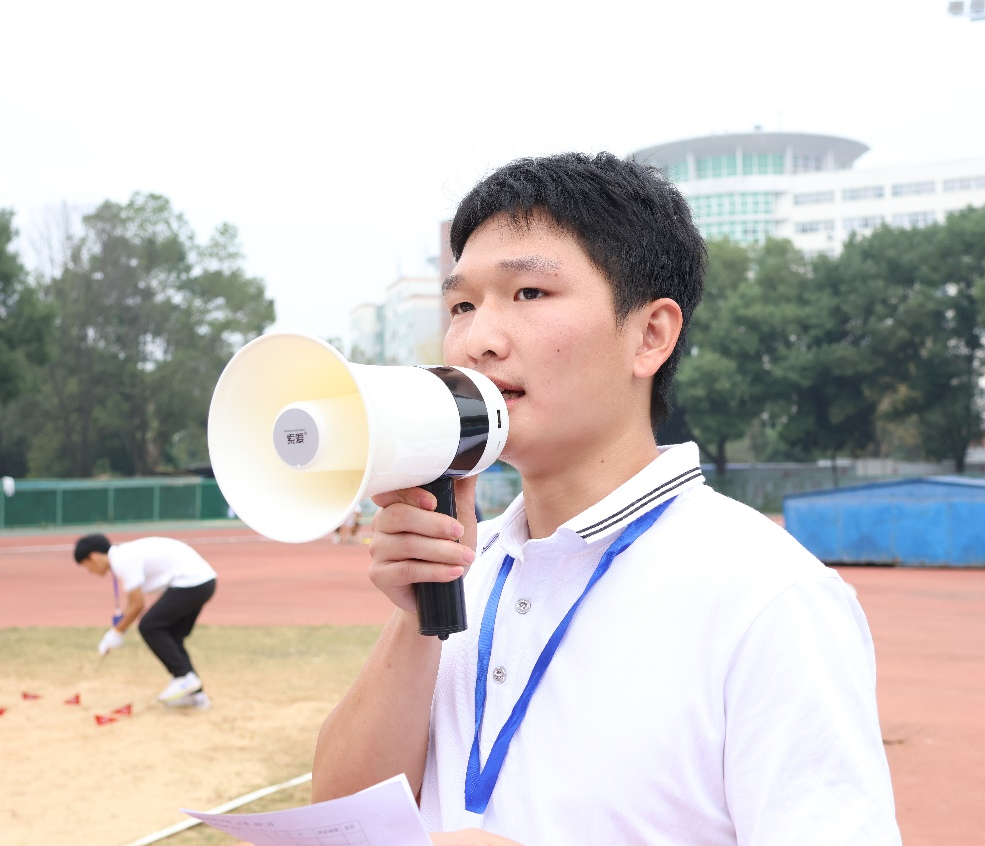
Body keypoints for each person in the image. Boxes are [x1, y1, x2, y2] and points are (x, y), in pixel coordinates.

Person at [312, 153, 901, 844]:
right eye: (462, 306)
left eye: (529, 293)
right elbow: (336, 823)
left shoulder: (767, 596)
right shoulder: (473, 565)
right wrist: (420, 613)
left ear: (650, 335)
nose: (476, 341)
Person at [73, 534, 217, 708]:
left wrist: (116, 633)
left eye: (86, 565)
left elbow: (137, 604)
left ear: (94, 557)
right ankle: (196, 696)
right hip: (204, 581)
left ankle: (184, 677)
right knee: (172, 637)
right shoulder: (124, 555)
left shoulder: (122, 560)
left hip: (192, 583)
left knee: (149, 626)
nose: (89, 571)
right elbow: (133, 603)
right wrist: (118, 630)